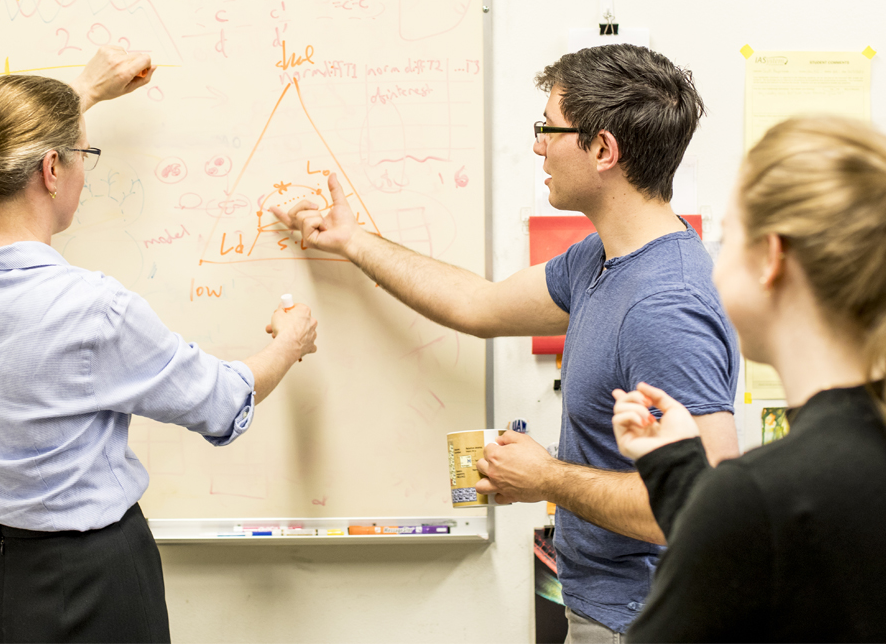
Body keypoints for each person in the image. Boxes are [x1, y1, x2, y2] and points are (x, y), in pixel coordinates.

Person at [272, 43, 741, 639]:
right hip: (604, 610)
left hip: (643, 622)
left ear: (603, 149)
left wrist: (546, 477)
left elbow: (703, 506)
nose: (539, 143)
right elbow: (478, 304)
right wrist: (354, 241)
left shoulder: (664, 306)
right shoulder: (602, 259)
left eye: (550, 128)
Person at [0, 47, 318, 644]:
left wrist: (84, 92)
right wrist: (291, 343)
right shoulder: (88, 310)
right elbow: (223, 400)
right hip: (88, 577)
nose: (82, 172)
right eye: (81, 158)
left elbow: (5, 149)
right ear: (51, 169)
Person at [613, 116, 886, 643]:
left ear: (771, 257)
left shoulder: (761, 495)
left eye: (726, 238)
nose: (714, 266)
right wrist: (675, 467)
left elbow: (763, 523)